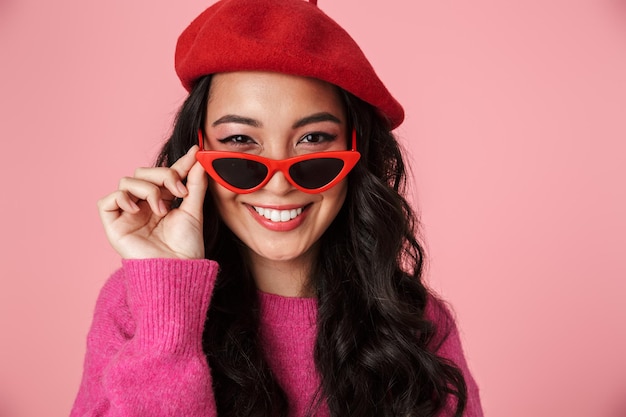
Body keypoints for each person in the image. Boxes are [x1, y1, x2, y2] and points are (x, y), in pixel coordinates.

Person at [71, 0, 483, 416]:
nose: (280, 183)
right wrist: (169, 307)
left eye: (313, 138)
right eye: (239, 140)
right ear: (195, 155)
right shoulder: (135, 304)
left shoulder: (414, 320)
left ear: (356, 152)